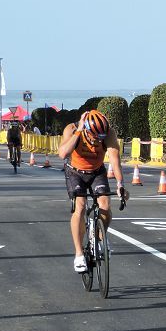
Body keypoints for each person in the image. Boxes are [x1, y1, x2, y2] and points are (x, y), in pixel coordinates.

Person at [58, 109, 128, 274]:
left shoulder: (108, 133)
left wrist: (120, 184)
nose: (98, 141)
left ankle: (99, 238)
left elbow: (114, 159)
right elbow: (62, 153)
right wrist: (79, 132)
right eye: (95, 136)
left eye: (101, 137)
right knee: (80, 207)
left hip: (97, 171)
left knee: (105, 205)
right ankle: (79, 254)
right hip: (74, 172)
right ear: (87, 130)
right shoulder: (72, 129)